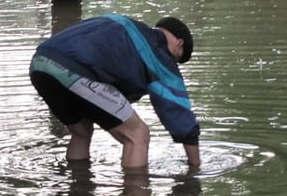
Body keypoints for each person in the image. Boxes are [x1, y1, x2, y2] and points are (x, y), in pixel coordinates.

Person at [29, 13, 200, 169]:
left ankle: (77, 190)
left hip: (40, 63)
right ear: (179, 44)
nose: (173, 64)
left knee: (82, 132)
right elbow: (178, 114)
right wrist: (195, 167)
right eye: (177, 59)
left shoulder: (122, 24)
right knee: (137, 135)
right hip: (76, 71)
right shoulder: (160, 53)